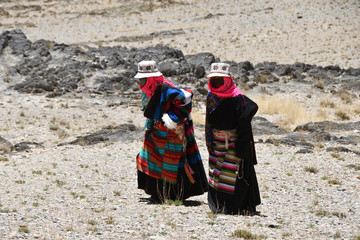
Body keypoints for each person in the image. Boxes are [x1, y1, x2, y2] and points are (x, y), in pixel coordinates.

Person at [135, 60, 208, 202]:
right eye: (140, 79)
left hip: (172, 133)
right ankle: (157, 192)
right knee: (151, 160)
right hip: (156, 132)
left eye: (143, 80)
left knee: (171, 163)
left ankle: (174, 195)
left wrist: (171, 118)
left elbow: (186, 97)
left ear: (151, 79)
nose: (141, 83)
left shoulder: (165, 88)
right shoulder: (149, 91)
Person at [205, 62, 261, 215]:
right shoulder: (211, 97)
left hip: (234, 144)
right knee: (216, 173)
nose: (217, 82)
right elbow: (208, 122)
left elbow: (243, 127)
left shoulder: (238, 99)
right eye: (214, 79)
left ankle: (232, 206)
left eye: (220, 79)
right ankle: (217, 204)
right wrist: (209, 142)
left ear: (228, 79)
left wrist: (242, 149)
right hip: (217, 143)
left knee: (232, 175)